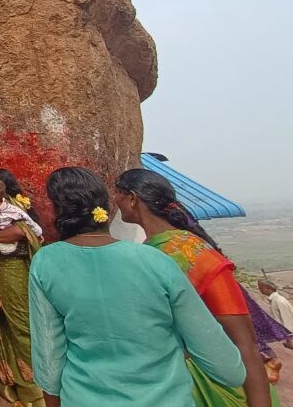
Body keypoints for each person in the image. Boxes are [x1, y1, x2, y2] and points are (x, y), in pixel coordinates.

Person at [29, 166, 246, 407]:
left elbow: (49, 359)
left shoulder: (45, 262)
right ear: (106, 208)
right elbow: (228, 369)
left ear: (56, 210)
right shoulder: (155, 260)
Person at [115, 168, 274, 407]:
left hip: (208, 385)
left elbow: (244, 340)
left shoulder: (197, 256)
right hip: (163, 382)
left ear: (132, 199)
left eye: (116, 193)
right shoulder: (147, 252)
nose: (113, 200)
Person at [0, 176, 43, 406]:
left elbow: (23, 232)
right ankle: (13, 381)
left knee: (20, 325)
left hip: (13, 270)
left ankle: (34, 388)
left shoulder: (16, 209)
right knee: (1, 324)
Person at [258, 280, 293, 349]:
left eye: (261, 288)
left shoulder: (278, 301)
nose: (260, 290)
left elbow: (286, 320)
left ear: (268, 288)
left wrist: (289, 339)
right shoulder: (276, 300)